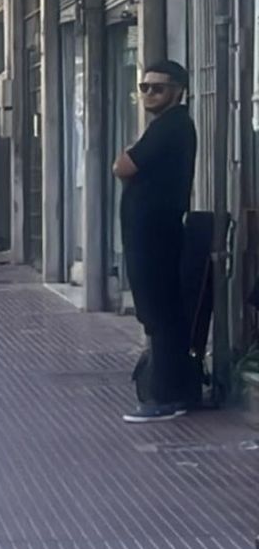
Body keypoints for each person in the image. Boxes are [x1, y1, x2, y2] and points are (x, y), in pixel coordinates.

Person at [114, 60, 197, 423]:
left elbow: (123, 166)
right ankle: (170, 389)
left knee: (160, 310)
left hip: (156, 234)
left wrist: (126, 159)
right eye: (144, 87)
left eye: (158, 88)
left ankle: (165, 395)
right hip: (148, 232)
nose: (149, 94)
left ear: (178, 91)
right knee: (156, 311)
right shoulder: (164, 126)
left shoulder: (171, 126)